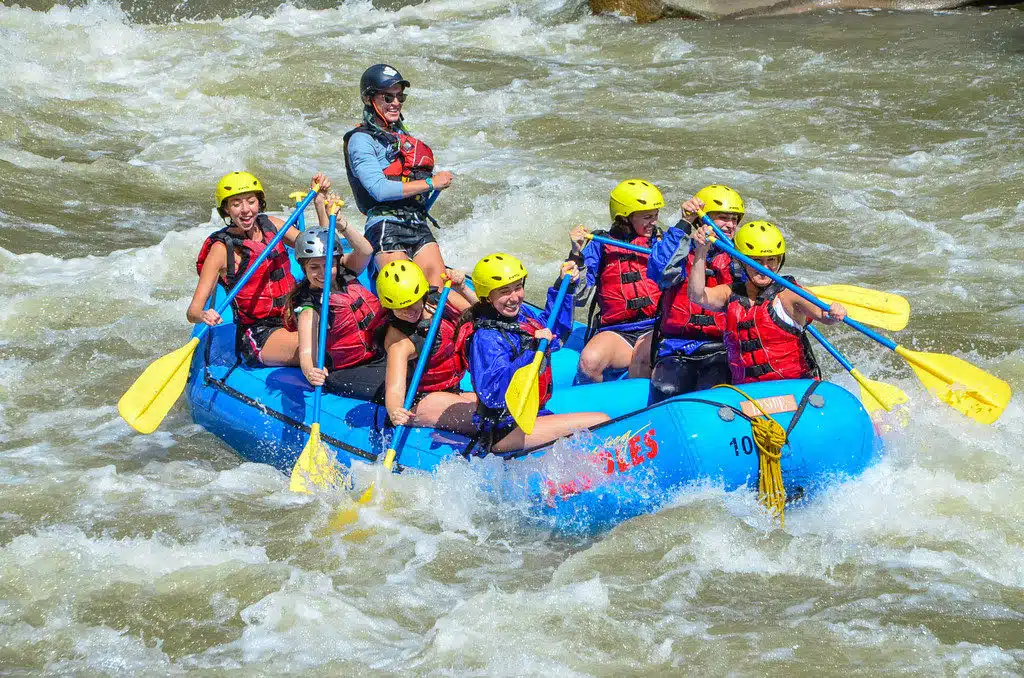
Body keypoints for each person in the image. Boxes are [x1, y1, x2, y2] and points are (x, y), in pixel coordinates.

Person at [343, 64, 468, 309]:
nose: (396, 102)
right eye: (387, 97)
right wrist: (430, 183)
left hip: (415, 222)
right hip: (385, 226)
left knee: (439, 293)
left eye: (400, 97)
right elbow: (378, 189)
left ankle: (478, 324)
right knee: (406, 296)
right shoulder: (360, 140)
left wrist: (428, 185)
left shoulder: (400, 136)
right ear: (369, 99)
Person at [460, 253, 610, 454]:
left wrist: (563, 288)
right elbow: (494, 395)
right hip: (504, 428)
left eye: (518, 288)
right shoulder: (486, 338)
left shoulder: (521, 316)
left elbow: (554, 332)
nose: (515, 297)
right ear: (488, 296)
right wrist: (532, 350)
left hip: (532, 414)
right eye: (505, 291)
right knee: (602, 421)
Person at [687, 220, 846, 384]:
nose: (765, 267)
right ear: (742, 261)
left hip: (793, 386)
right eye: (757, 260)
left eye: (771, 260)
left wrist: (835, 312)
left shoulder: (790, 294)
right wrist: (701, 251)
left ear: (779, 261)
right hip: (748, 391)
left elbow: (824, 316)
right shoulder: (730, 293)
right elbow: (696, 295)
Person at [282, 179, 388, 400]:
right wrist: (311, 372)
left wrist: (342, 225)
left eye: (328, 264)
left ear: (337, 262)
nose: (322, 272)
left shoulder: (346, 274)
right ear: (303, 267)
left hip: (378, 354)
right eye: (314, 267)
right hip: (347, 370)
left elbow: (366, 250)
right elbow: (307, 352)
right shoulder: (310, 307)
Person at [188, 171, 302, 366]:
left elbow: (316, 248)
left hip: (294, 314)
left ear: (259, 202)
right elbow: (193, 311)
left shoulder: (272, 225)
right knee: (317, 350)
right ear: (226, 209)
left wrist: (321, 205)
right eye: (236, 204)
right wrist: (204, 315)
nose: (245, 210)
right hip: (260, 332)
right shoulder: (221, 250)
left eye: (251, 201)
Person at [646, 184, 746, 402]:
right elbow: (658, 269)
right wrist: (685, 222)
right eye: (722, 218)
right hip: (677, 348)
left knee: (714, 393)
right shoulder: (680, 253)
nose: (730, 226)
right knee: (667, 389)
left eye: (734, 220)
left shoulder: (741, 258)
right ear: (704, 219)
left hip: (723, 349)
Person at [567, 179, 664, 383]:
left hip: (657, 326)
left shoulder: (662, 243)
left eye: (656, 215)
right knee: (589, 364)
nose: (654, 222)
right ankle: (596, 410)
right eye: (647, 217)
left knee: (642, 357)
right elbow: (579, 298)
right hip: (618, 331)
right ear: (625, 218)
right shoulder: (601, 245)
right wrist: (576, 255)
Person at [377, 260, 479, 432]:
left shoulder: (438, 297)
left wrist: (462, 288)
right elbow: (394, 388)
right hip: (423, 400)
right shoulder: (399, 343)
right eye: (400, 308)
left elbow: (479, 313)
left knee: (498, 404)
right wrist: (395, 411)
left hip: (451, 390)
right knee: (483, 417)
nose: (408, 311)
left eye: (412, 303)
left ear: (422, 295)